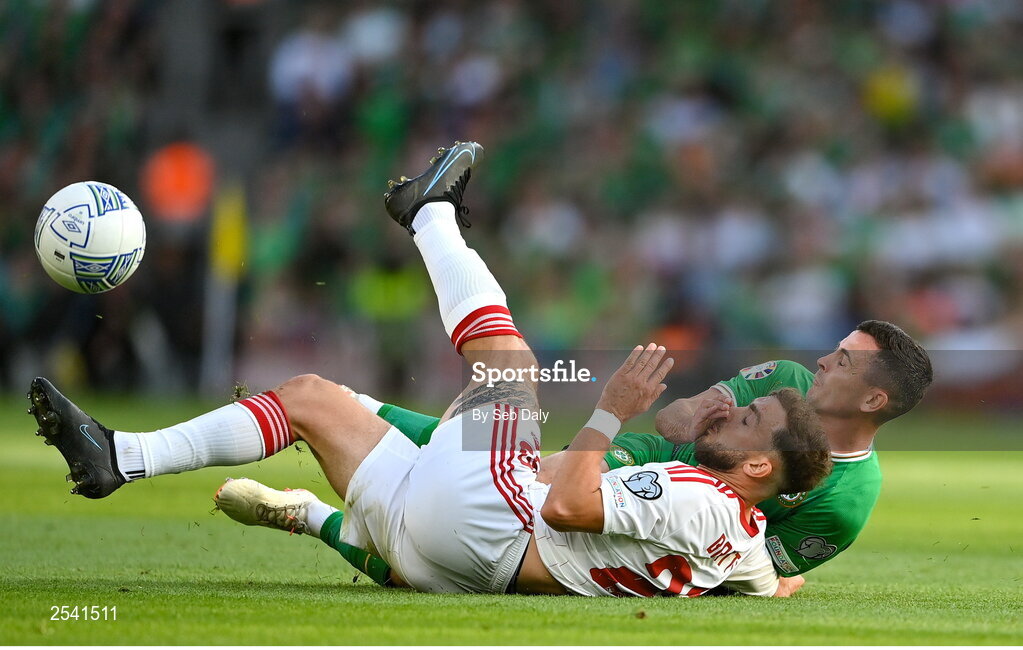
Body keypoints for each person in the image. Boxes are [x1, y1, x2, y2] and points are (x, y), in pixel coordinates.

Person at [28, 142, 831, 597]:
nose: (727, 415)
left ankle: (428, 212)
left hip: (492, 527)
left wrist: (611, 410)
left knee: (509, 364)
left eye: (747, 423)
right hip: (439, 554)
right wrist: (782, 581)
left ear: (758, 465)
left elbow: (573, 504)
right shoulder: (746, 546)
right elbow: (773, 584)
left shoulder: (709, 497)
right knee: (310, 399)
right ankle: (120, 456)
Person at [345, 322, 933, 586]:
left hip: (675, 524)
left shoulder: (847, 503)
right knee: (526, 474)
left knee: (500, 477)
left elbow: (752, 570)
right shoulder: (782, 378)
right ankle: (356, 411)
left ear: (873, 398)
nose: (826, 361)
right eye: (835, 350)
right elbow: (672, 421)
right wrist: (696, 417)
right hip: (648, 461)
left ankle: (348, 423)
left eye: (845, 362)